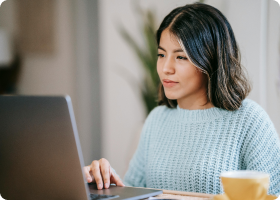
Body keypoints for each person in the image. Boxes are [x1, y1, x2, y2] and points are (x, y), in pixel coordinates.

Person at [83, 3, 280, 196]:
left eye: (181, 57)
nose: (165, 68)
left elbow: (274, 193)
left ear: (210, 60)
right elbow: (134, 190)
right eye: (161, 54)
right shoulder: (156, 119)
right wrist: (103, 180)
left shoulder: (250, 120)